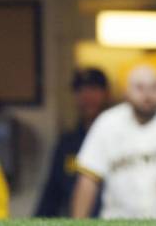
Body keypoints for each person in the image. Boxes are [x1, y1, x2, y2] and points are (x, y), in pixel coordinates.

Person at [70, 65, 156, 219]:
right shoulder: (107, 123)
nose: (147, 95)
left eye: (154, 87)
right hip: (120, 220)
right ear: (125, 92)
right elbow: (88, 179)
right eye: (139, 88)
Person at [36, 69, 110, 217]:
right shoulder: (66, 144)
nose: (87, 96)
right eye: (81, 90)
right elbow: (51, 195)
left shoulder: (120, 139)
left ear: (106, 94)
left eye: (94, 89)